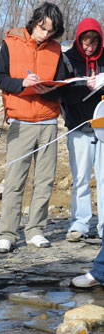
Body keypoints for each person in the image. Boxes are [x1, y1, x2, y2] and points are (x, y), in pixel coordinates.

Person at [0, 2, 65, 253]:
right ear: (34, 21)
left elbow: (62, 83)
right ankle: (8, 234)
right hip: (20, 122)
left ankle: (35, 230)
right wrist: (22, 83)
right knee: (14, 181)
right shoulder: (10, 43)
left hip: (48, 122)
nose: (45, 34)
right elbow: (0, 78)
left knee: (44, 181)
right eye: (42, 28)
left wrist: (53, 88)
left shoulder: (57, 49)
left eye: (51, 31)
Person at [60, 18, 104, 242]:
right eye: (86, 44)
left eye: (93, 44)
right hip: (78, 126)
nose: (89, 48)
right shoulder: (67, 59)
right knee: (80, 178)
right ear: (78, 41)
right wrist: (83, 87)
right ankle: (80, 223)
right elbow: (62, 93)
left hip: (103, 128)